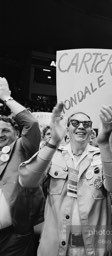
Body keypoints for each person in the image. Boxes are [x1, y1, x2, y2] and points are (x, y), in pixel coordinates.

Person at [19, 102, 112, 256]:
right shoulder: (52, 154)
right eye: (75, 123)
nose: (81, 126)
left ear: (91, 130)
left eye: (87, 124)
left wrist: (104, 145)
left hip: (92, 248)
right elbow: (27, 181)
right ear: (67, 129)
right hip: (54, 248)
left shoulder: (103, 155)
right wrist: (53, 142)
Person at [0, 77, 44, 256]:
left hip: (15, 237)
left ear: (17, 132)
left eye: (5, 130)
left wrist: (6, 98)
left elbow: (32, 124)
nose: (0, 135)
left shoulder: (22, 148)